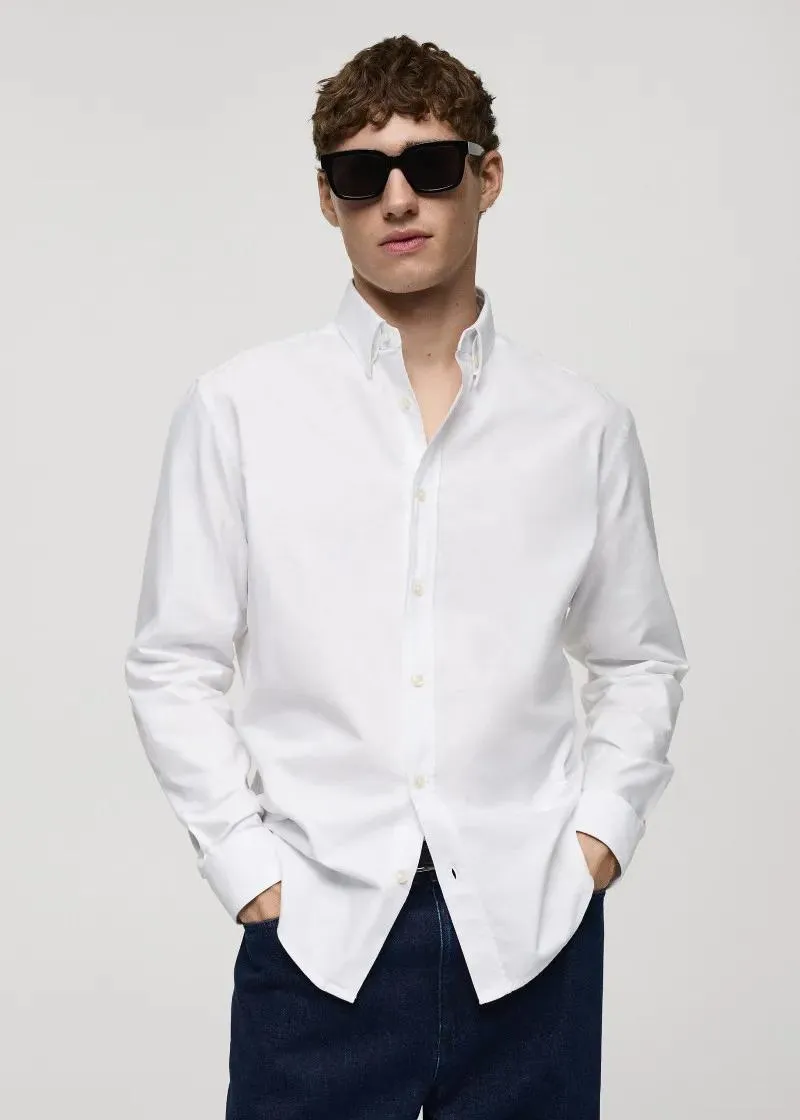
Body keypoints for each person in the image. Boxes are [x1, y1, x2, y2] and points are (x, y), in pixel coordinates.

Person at [124, 33, 690, 1120]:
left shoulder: (581, 427)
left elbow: (638, 659)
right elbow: (171, 662)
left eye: (429, 166)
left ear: (487, 176)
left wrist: (597, 841)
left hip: (531, 935)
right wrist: (250, 871)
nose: (396, 199)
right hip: (320, 939)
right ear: (326, 198)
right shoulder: (239, 410)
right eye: (359, 173)